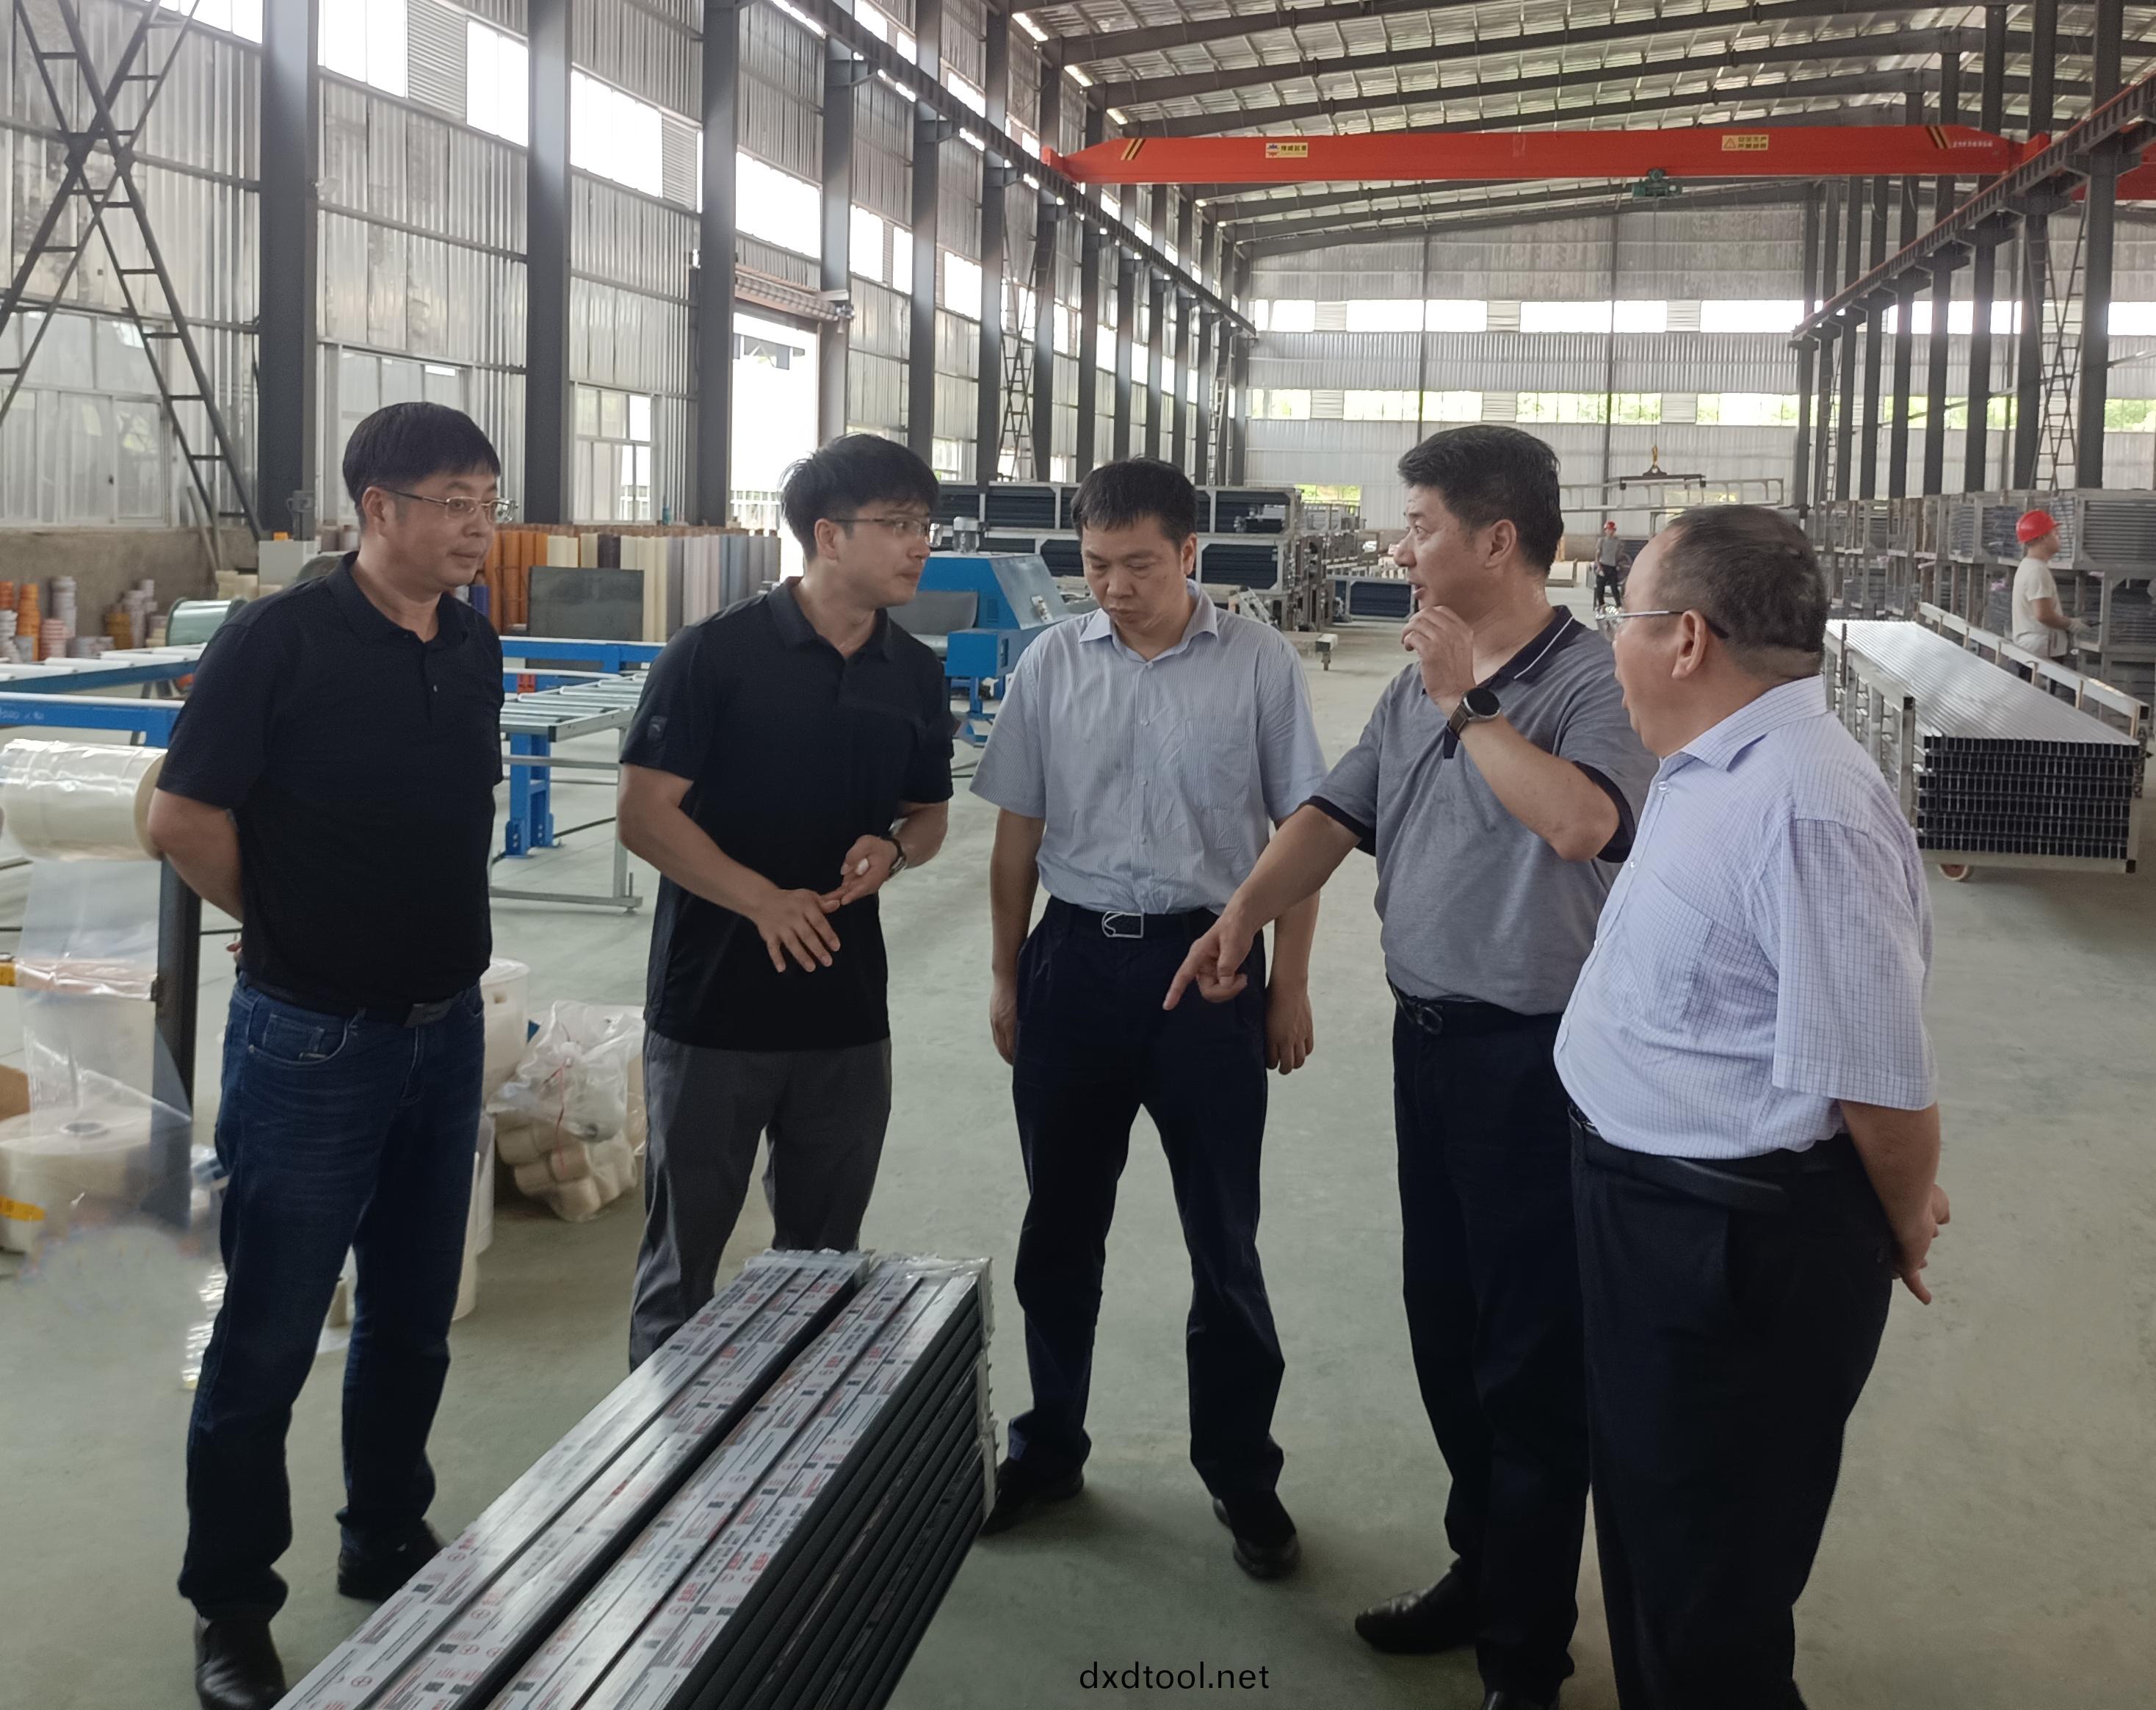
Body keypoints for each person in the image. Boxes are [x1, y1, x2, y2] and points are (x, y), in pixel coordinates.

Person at [1167, 425, 1656, 1709]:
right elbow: (1334, 815)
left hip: (1538, 1064)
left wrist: (1464, 703)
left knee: (1530, 1363)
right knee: (1447, 1329)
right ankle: (1481, 1571)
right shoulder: (1415, 687)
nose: (1399, 548)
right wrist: (1241, 916)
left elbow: (1581, 823)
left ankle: (1525, 1658)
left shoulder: (1592, 682)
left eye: (1422, 525)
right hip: (1429, 1048)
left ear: (1497, 539)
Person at [1557, 505, 1950, 1709]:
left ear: (1685, 638)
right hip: (1652, 1214)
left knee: (1710, 1590)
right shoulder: (1707, 763)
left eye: (1622, 615)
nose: (1609, 641)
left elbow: (1880, 1083)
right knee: (1650, 1533)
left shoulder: (1806, 804)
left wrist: (1901, 1218)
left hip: (1732, 1249)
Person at [152, 403, 509, 1710]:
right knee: (268, 1333)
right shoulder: (280, 638)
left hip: (443, 1026)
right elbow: (182, 816)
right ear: (377, 508)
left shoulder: (470, 641)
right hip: (312, 1039)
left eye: (489, 501)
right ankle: (232, 1604)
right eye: (454, 502)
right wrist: (291, 923)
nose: (478, 527)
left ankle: (385, 1534)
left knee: (412, 1315)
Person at [970, 458, 1328, 1579]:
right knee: (1060, 1227)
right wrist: (1006, 977)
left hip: (1210, 971)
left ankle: (1241, 1471)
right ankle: (1049, 1446)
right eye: (1095, 567)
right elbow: (1016, 837)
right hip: (1074, 965)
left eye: (1138, 566)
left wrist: (1289, 983)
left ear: (1189, 554)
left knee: (1223, 1236)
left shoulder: (1259, 663)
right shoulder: (1051, 662)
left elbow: (1303, 835)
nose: (1115, 588)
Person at [617, 433, 952, 1368]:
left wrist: (894, 849)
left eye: (924, 525)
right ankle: (664, 1450)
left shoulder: (913, 672)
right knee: (682, 1267)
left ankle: (796, 1447)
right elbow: (644, 814)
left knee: (823, 1267)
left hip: (845, 1017)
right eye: (898, 524)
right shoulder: (714, 655)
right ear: (827, 536)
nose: (919, 545)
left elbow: (929, 815)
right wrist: (761, 901)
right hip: (713, 1012)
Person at [2008, 508, 2084, 660]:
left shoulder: (2029, 566)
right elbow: (2043, 615)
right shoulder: (2037, 571)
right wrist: (2071, 624)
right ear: (2043, 537)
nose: (2059, 537)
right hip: (2041, 652)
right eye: (2055, 534)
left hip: (2034, 648)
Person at [1593, 520, 1630, 613]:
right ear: (1605, 530)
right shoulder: (1601, 541)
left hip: (1612, 567)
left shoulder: (1617, 542)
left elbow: (1619, 554)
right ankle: (1601, 605)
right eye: (1608, 530)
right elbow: (1597, 554)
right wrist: (1599, 567)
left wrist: (1618, 564)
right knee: (1600, 586)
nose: (1610, 532)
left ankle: (1619, 605)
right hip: (1603, 566)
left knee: (1614, 587)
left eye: (1612, 530)